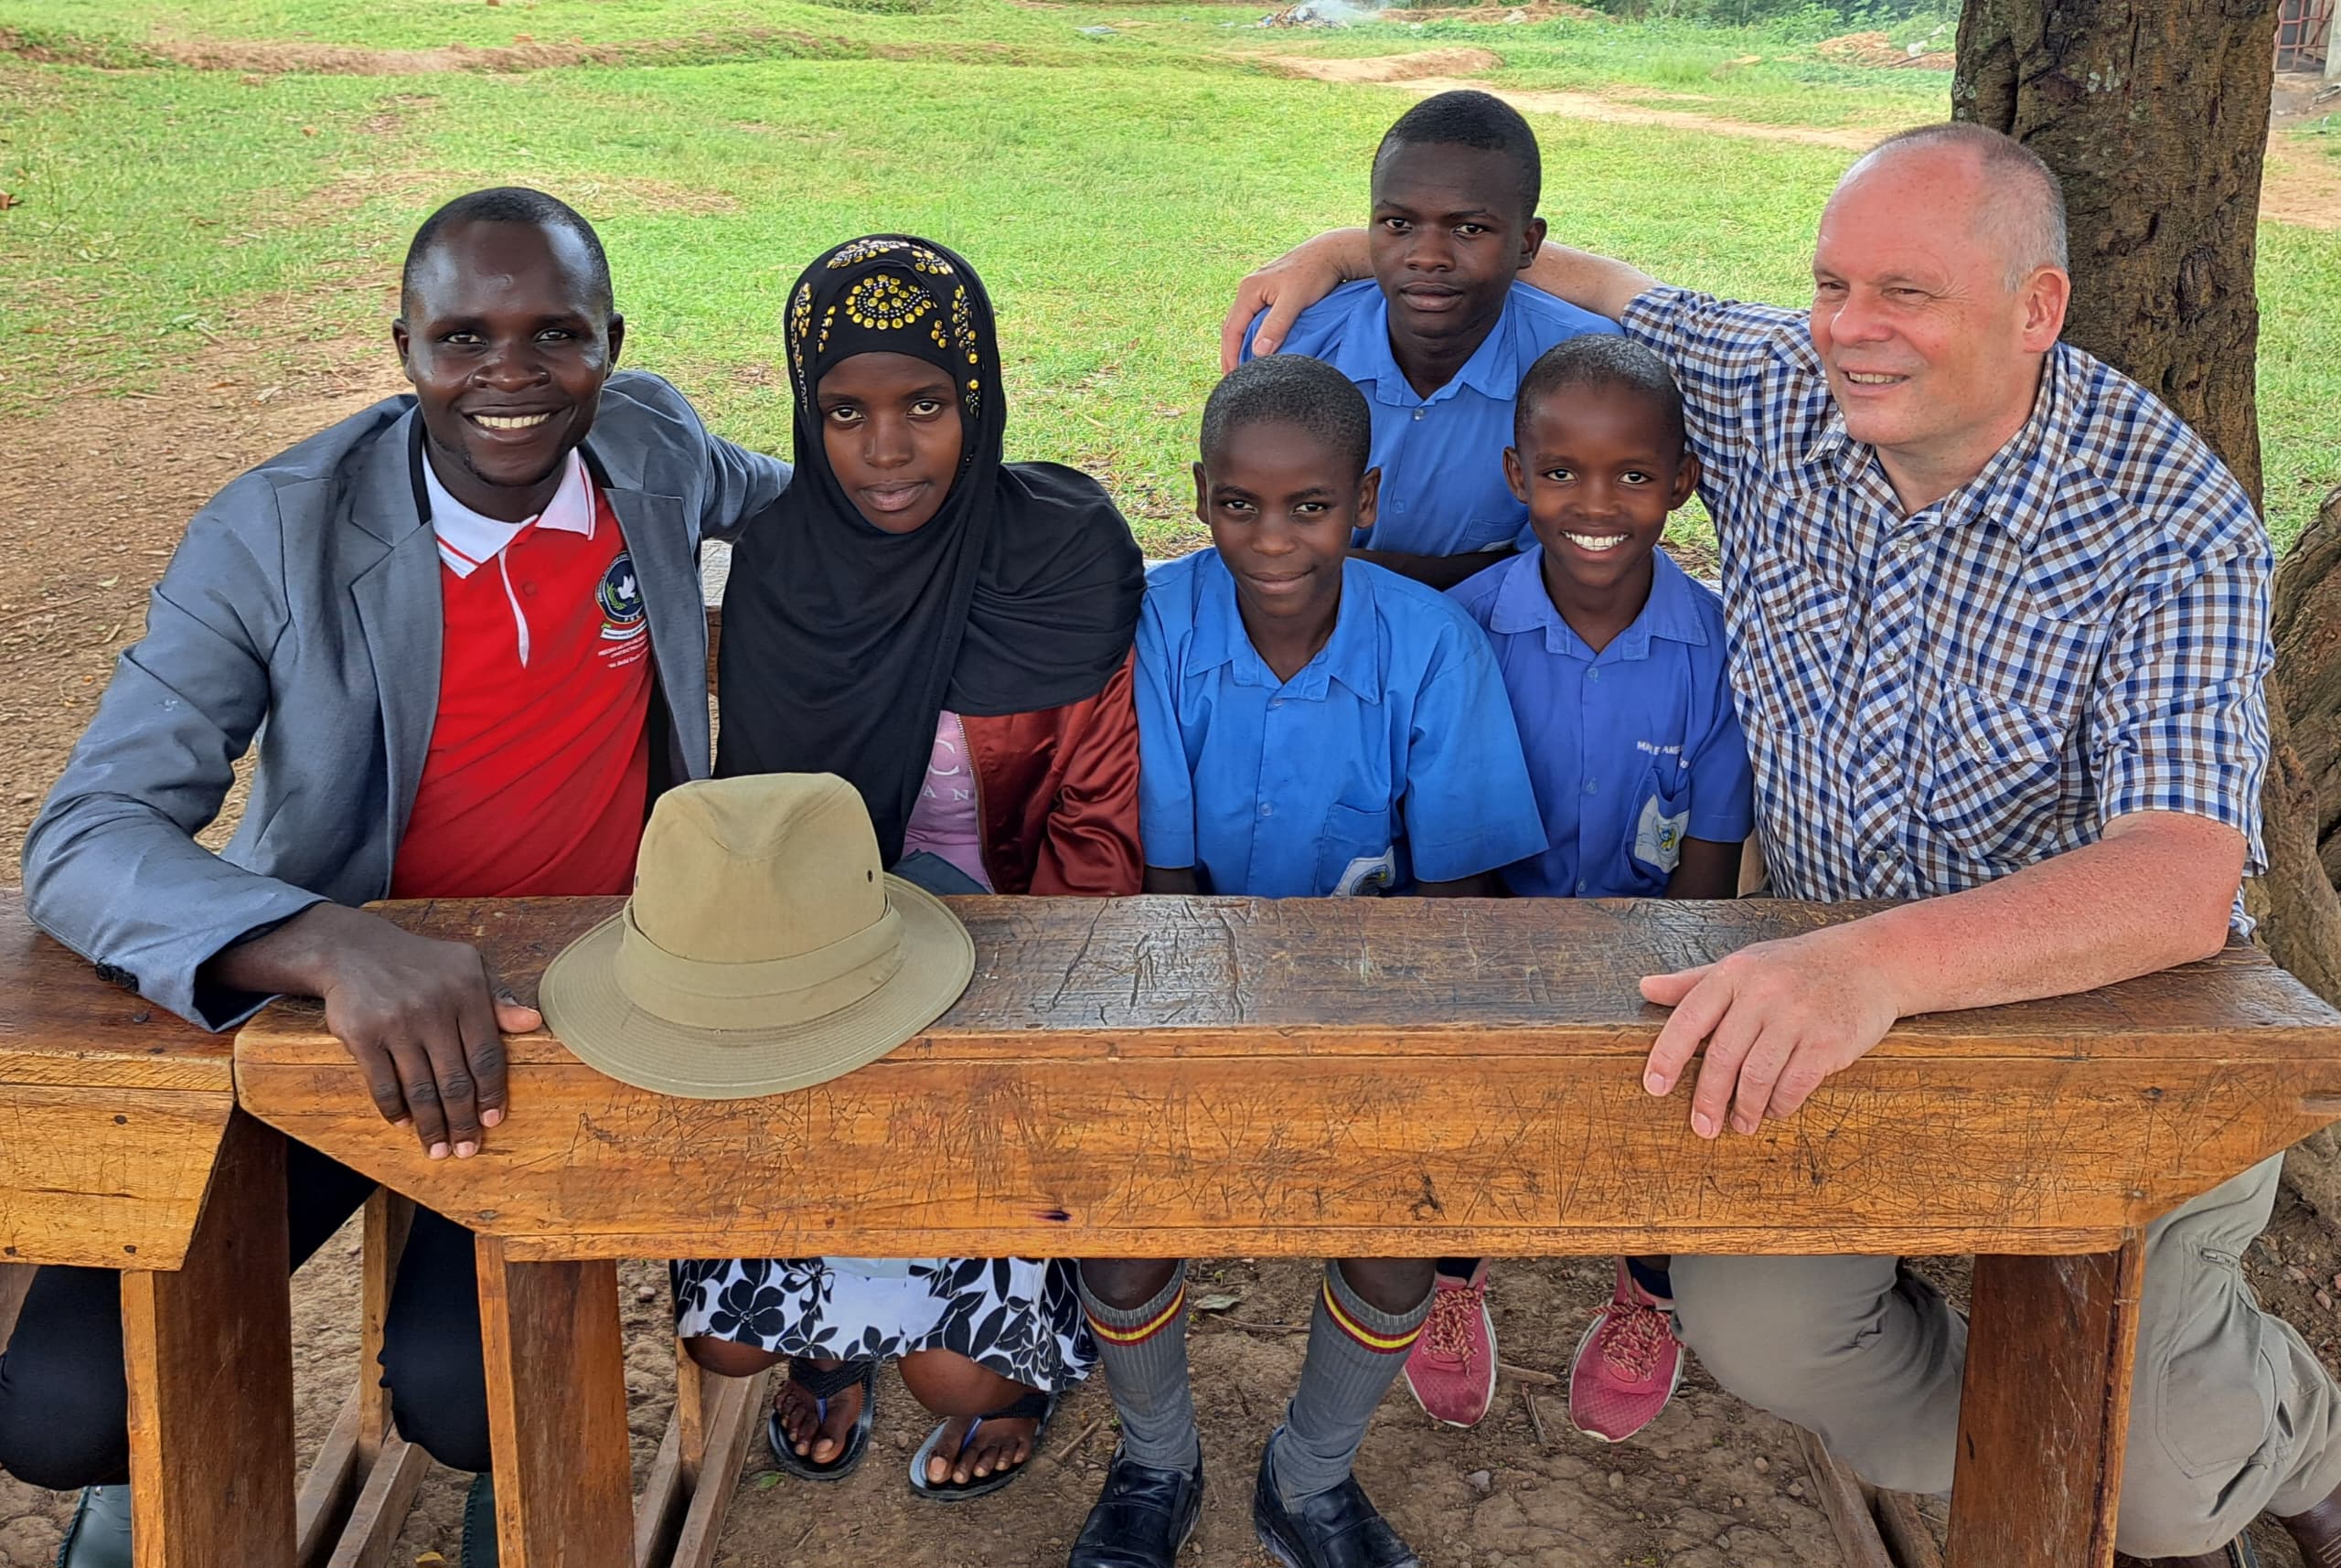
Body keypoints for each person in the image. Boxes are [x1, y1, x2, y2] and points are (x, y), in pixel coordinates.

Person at [1225, 121, 2341, 1567]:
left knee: (2170, 1493)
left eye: (1906, 295)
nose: (1850, 331)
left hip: (2098, 1019)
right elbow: (1599, 277)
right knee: (1761, 1331)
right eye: (1830, 286)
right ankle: (2087, 1405)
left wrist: (1872, 962)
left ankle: (2278, 1436)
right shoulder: (1770, 389)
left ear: (2036, 308)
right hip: (1825, 1023)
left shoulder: (2166, 514)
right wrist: (1327, 252)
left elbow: (2183, 874)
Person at [8, 187, 791, 1567]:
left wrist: (1093, 554)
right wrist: (327, 943)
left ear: (611, 346)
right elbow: (89, 833)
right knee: (63, 1407)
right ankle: (157, 1470)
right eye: (462, 337)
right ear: (405, 347)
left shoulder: (653, 449)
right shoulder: (275, 532)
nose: (510, 374)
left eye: (556, 334)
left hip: (563, 1013)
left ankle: (523, 1498)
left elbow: (843, 509)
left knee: (465, 1389)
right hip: (321, 1011)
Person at [673, 235, 1146, 1499]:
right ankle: (837, 1324)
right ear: (806, 415)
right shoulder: (784, 561)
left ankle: (992, 1346)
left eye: (925, 405)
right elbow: (756, 846)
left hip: (1008, 998)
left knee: (960, 1375)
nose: (885, 449)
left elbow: (1093, 847)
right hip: (819, 990)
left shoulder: (1062, 557)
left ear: (977, 401)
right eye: (845, 413)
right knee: (728, 1336)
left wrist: (989, 1041)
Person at [1069, 353, 1545, 1568]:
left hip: (1374, 1007)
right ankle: (1157, 1459)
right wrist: (1200, 1049)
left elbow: (1453, 898)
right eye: (1240, 503)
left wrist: (1361, 1063)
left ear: (1366, 501)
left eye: (1311, 505)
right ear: (1199, 493)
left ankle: (1309, 1474)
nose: (1272, 534)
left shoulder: (1434, 649)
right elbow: (1164, 876)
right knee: (1124, 1211)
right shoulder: (1163, 621)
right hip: (1184, 984)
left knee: (1401, 1221)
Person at [1444, 335, 1750, 1441]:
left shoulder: (1715, 646)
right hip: (1489, 938)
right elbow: (1450, 855)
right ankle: (1449, 1268)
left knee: (1682, 1091)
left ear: (1681, 481)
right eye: (1561, 470)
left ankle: (1646, 1285)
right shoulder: (1465, 631)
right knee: (1464, 1096)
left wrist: (1682, 986)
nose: (1595, 502)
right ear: (1517, 471)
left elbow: (1710, 858)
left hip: (1656, 951)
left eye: (1631, 474)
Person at [1235, 89, 1618, 593]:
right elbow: (1248, 531)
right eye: (1399, 224)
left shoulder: (1586, 374)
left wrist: (1346, 573)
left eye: (1469, 228)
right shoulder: (1290, 344)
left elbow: (1564, 567)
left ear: (1527, 244)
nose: (1428, 256)